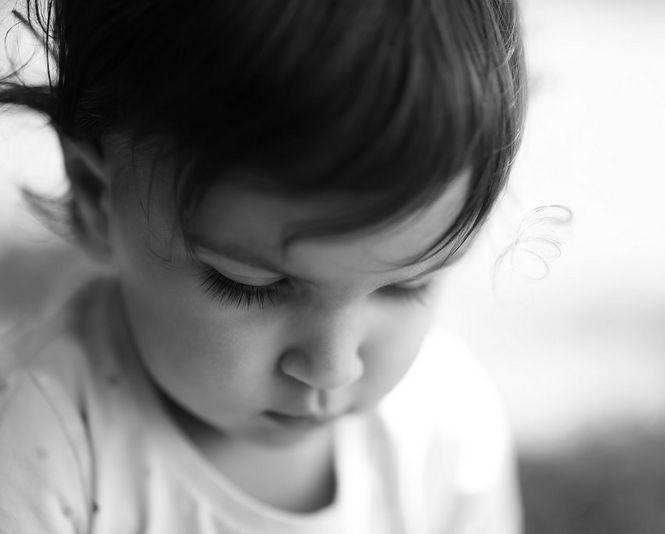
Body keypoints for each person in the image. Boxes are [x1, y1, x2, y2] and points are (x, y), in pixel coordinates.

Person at [0, 0, 527, 532]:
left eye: (407, 285)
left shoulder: (447, 426)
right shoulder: (36, 449)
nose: (333, 369)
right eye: (251, 285)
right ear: (99, 196)